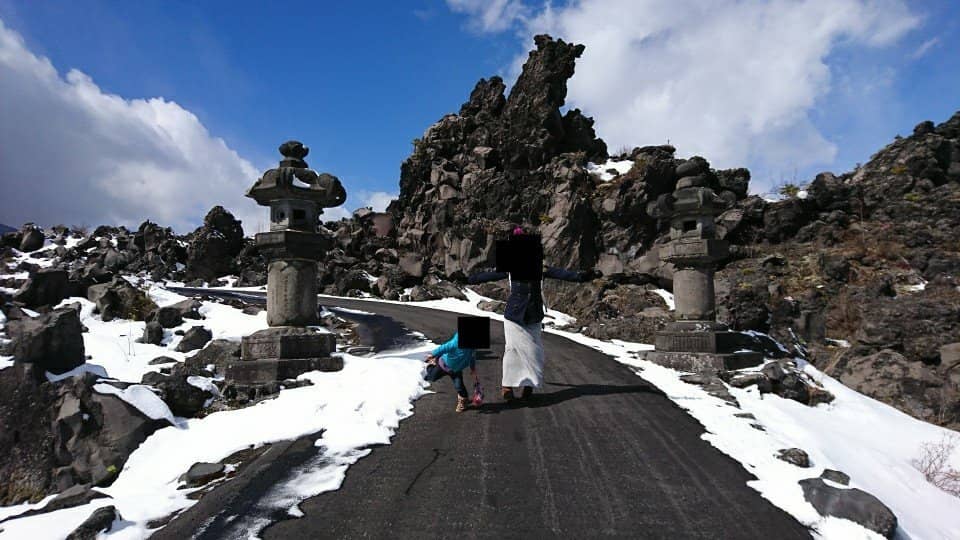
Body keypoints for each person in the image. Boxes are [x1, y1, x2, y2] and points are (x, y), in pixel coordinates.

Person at [468, 227, 596, 401]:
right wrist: (469, 279)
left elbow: (563, 273)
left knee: (534, 351)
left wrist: (583, 277)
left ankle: (528, 385)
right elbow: (490, 275)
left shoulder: (540, 267)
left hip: (534, 315)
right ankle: (508, 387)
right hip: (514, 315)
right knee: (512, 351)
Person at [424, 332, 479, 413]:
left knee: (459, 386)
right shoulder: (455, 343)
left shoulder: (471, 349)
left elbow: (472, 358)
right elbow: (443, 347)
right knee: (432, 377)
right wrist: (433, 354)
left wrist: (473, 368)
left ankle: (464, 401)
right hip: (443, 365)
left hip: (456, 371)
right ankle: (431, 365)